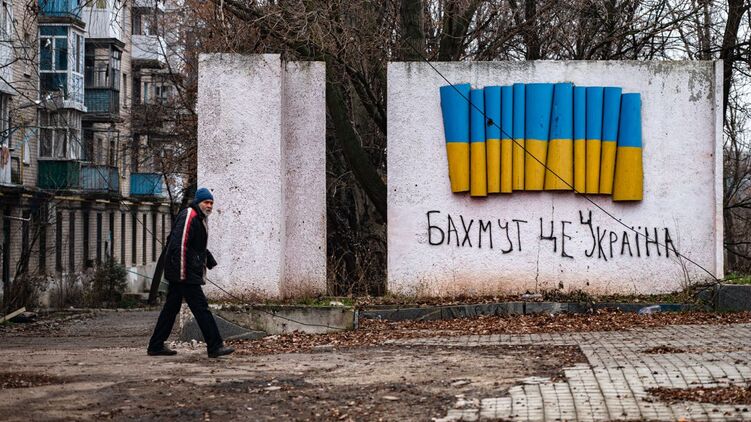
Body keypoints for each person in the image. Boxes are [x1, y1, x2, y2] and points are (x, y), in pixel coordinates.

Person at [147, 188, 234, 358]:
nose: (209, 206)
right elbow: (180, 245)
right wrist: (182, 274)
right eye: (206, 202)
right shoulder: (190, 215)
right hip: (184, 274)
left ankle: (156, 345)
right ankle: (215, 346)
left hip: (183, 272)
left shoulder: (199, 218)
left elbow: (195, 246)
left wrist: (208, 259)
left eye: (211, 203)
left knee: (170, 309)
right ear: (198, 202)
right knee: (202, 309)